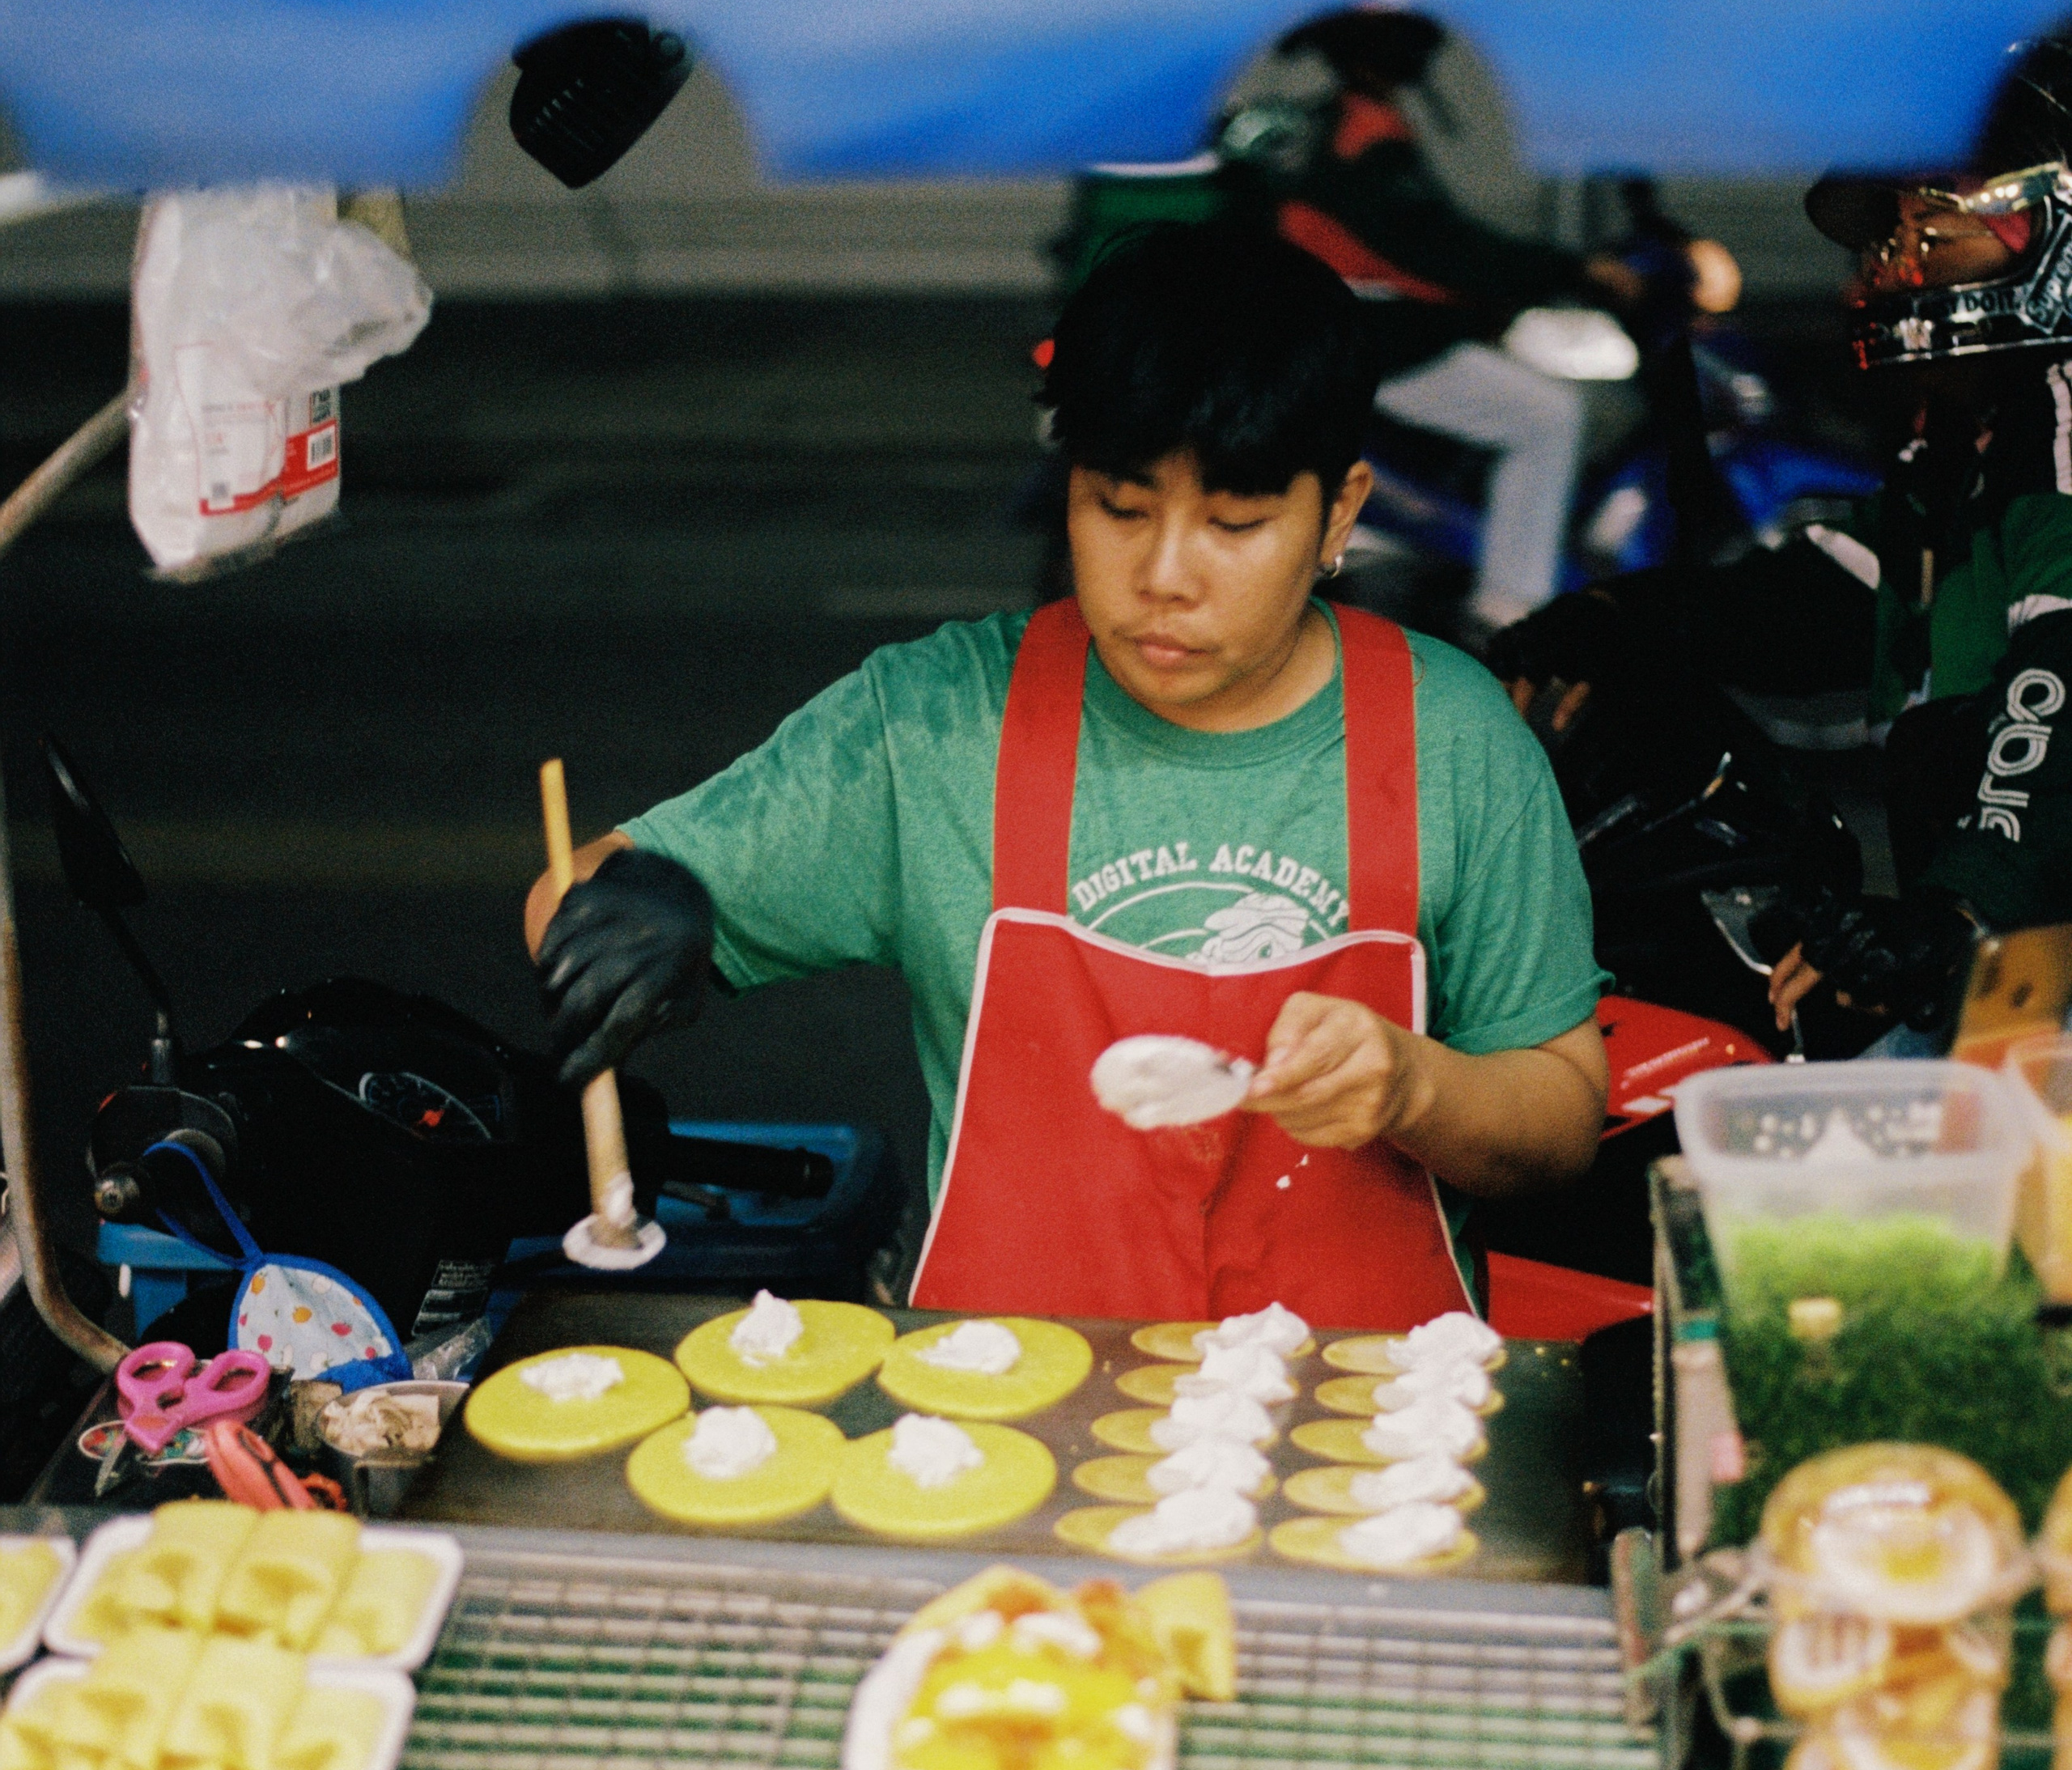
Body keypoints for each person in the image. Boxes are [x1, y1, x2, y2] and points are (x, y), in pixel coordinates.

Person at [529, 223, 1608, 1326]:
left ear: (1338, 510)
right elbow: (579, 885)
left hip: (1369, 1412)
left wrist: (1414, 1087)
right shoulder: (937, 722)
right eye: (1120, 508)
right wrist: (639, 910)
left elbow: (1563, 1120)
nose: (1165, 576)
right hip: (1000, 1407)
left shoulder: (1454, 738)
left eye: (1235, 522)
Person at [1488, 36, 2072, 1055]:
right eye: (1891, 234)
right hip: (2009, 969)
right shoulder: (1967, 447)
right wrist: (1608, 620)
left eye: (1932, 225)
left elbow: (2060, 680)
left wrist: (1957, 911)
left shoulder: (2059, 427)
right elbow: (1832, 597)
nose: (1894, 263)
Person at [1217, 6, 1660, 642]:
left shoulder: (1323, 127)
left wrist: (1491, 297)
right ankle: (1511, 608)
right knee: (1548, 417)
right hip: (1375, 343)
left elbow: (1398, 250)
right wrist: (1572, 270)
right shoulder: (1366, 138)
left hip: (1329, 330)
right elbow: (1434, 247)